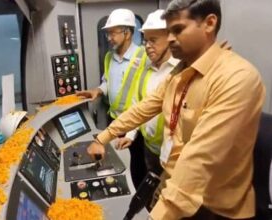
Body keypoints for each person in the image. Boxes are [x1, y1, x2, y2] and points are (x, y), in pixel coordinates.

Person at [87, 0, 265, 219]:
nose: (170, 39)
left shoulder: (236, 78)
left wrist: (158, 215)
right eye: (169, 31)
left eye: (178, 30)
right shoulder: (179, 74)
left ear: (209, 24)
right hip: (173, 184)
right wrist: (103, 137)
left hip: (211, 207)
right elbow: (143, 108)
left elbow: (199, 160)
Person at [76, 8, 150, 188]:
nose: (108, 37)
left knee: (137, 170)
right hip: (114, 121)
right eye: (107, 33)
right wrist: (98, 91)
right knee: (117, 166)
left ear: (127, 32)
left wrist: (133, 132)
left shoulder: (144, 57)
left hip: (135, 125)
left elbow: (147, 100)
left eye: (112, 33)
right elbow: (108, 81)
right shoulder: (109, 57)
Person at [117, 9, 179, 176]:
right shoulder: (146, 70)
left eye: (153, 40)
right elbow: (139, 105)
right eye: (145, 41)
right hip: (150, 149)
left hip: (175, 158)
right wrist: (130, 135)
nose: (148, 47)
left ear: (169, 38)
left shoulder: (183, 71)